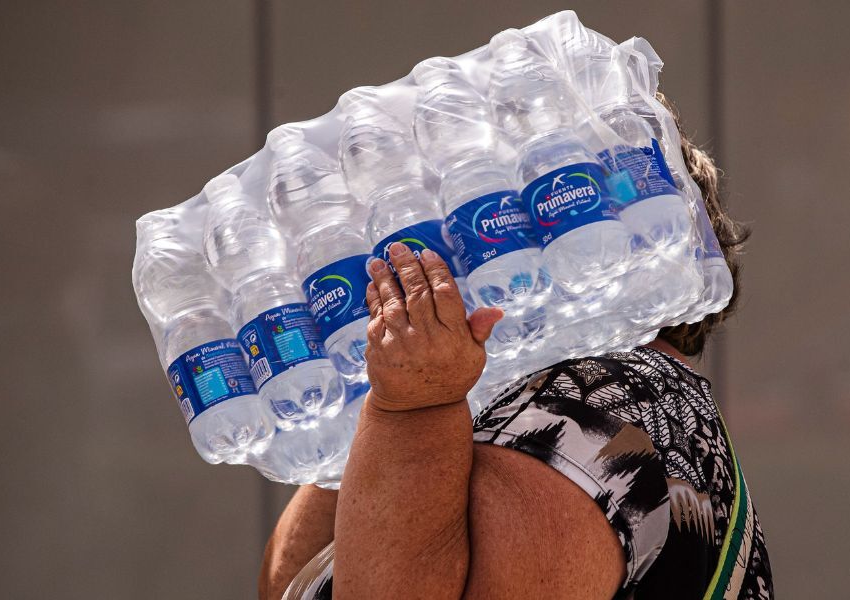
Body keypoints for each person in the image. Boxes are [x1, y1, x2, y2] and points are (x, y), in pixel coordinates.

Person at [259, 95, 774, 600]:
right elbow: (294, 586)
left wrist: (411, 405)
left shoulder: (611, 398)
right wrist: (377, 400)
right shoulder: (528, 397)